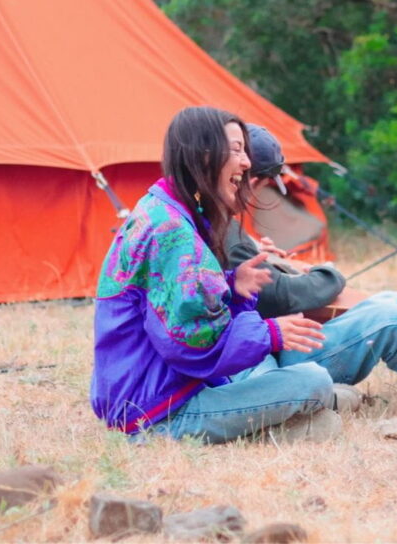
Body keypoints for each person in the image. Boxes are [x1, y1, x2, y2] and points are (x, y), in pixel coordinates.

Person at [90, 106, 337, 444]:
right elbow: (193, 343)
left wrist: (232, 286)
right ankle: (295, 418)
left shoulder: (164, 209)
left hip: (149, 392)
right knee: (313, 379)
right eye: (237, 150)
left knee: (271, 372)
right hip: (158, 413)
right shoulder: (173, 232)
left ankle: (295, 417)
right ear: (204, 156)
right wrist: (270, 334)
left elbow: (176, 307)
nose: (247, 163)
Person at [226, 123, 397, 398]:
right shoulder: (226, 234)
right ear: (251, 181)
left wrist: (263, 254)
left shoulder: (224, 226)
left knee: (391, 300)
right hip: (274, 359)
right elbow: (283, 296)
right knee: (390, 318)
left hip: (277, 343)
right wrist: (327, 274)